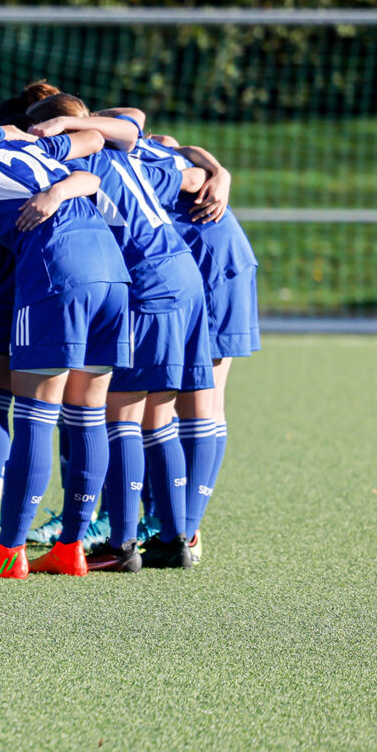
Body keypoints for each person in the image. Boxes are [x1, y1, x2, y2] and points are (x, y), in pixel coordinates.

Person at [0, 102, 132, 579]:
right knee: (88, 414)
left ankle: (10, 548)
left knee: (36, 415)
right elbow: (94, 157)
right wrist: (57, 177)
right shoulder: (30, 147)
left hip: (59, 275)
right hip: (113, 276)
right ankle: (71, 546)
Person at [26, 94, 214, 572]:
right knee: (159, 414)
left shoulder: (82, 158)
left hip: (148, 283)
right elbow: (133, 123)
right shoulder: (124, 150)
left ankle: (123, 543)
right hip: (184, 275)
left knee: (122, 415)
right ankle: (173, 538)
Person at [125, 123, 258, 561]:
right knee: (189, 402)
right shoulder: (132, 145)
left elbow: (179, 153)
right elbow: (179, 147)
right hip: (203, 259)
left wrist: (217, 170)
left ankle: (185, 531)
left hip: (210, 262)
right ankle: (177, 527)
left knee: (201, 402)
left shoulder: (110, 156)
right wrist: (217, 167)